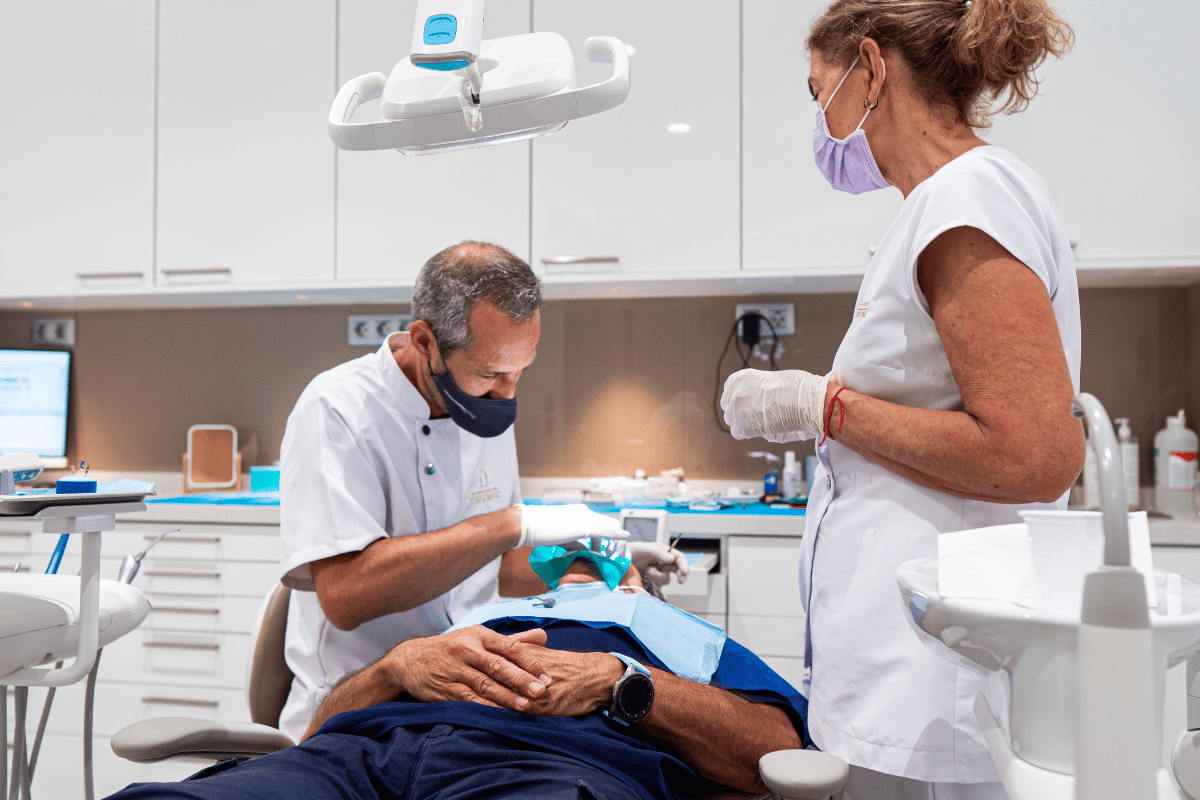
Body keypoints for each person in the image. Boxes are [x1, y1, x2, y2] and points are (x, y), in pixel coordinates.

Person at [720, 1, 1080, 798]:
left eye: (819, 91)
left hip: (934, 688)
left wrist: (820, 406)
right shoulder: (941, 205)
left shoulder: (968, 198)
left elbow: (1034, 455)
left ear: (872, 70)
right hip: (908, 674)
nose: (821, 119)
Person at [277, 241, 686, 741]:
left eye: (520, 371)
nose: (508, 393)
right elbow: (346, 595)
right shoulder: (337, 410)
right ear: (425, 342)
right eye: (490, 373)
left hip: (462, 690)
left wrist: (587, 561)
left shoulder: (481, 406)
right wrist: (511, 524)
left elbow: (495, 566)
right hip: (360, 704)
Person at [104, 551, 805, 800]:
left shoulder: (668, 630)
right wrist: (395, 665)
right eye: (566, 568)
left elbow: (772, 750)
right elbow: (319, 729)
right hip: (362, 758)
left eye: (599, 567)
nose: (580, 575)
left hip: (549, 768)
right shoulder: (479, 619)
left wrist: (616, 678)